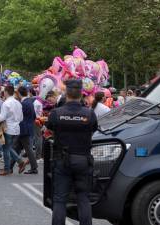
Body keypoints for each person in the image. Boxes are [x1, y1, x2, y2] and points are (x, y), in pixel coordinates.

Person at [46, 79, 98, 225]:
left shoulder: (56, 113)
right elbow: (93, 129)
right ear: (81, 94)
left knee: (60, 199)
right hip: (83, 159)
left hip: (62, 160)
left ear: (66, 94)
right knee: (83, 198)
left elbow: (49, 129)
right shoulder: (89, 113)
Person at [0, 86, 28, 176]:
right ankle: (18, 162)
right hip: (16, 128)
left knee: (6, 149)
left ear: (6, 92)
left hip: (8, 128)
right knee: (8, 148)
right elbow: (21, 118)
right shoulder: (18, 103)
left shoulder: (6, 103)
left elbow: (2, 117)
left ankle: (9, 168)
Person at [13, 86, 38, 174]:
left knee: (28, 149)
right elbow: (34, 116)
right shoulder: (29, 102)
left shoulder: (23, 103)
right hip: (27, 128)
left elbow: (18, 117)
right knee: (16, 148)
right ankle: (9, 167)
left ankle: (34, 167)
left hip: (23, 129)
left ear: (19, 94)